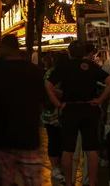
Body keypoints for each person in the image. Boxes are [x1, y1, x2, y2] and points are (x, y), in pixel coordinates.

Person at [46, 41, 110, 186]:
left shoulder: (63, 67)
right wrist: (100, 99)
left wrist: (58, 104)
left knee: (68, 149)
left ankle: (70, 182)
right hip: (89, 108)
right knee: (91, 149)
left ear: (69, 52)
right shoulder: (91, 67)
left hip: (70, 109)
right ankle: (92, 182)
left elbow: (47, 86)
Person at [0, 35, 46, 186]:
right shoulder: (33, 70)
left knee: (4, 180)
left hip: (2, 136)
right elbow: (42, 101)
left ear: (5, 48)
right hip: (28, 136)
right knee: (33, 181)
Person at [41, 52, 68, 183]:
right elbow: (54, 91)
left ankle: (56, 167)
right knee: (61, 140)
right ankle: (59, 167)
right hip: (58, 111)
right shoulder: (60, 73)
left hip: (49, 112)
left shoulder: (49, 73)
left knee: (54, 139)